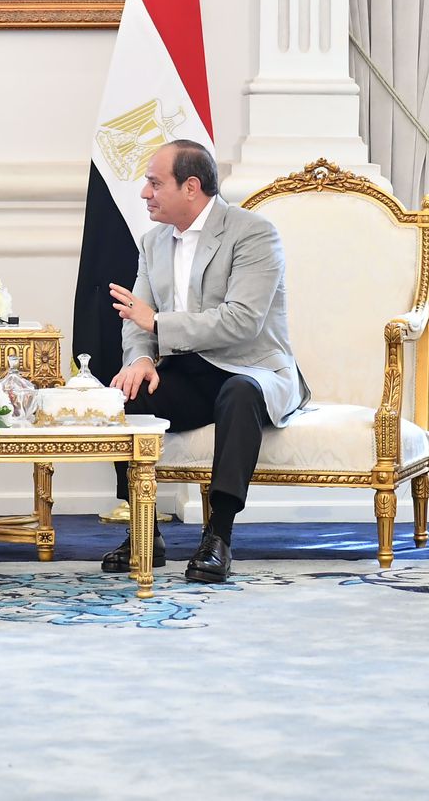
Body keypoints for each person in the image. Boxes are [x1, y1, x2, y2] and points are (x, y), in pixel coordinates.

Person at [103, 139, 309, 583]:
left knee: (239, 393)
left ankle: (218, 536)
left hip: (253, 368)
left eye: (155, 183)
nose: (144, 193)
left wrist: (158, 323)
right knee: (124, 396)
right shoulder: (153, 242)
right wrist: (140, 360)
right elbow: (136, 319)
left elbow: (242, 321)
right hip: (192, 371)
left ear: (191, 187)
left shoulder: (253, 233)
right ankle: (144, 531)